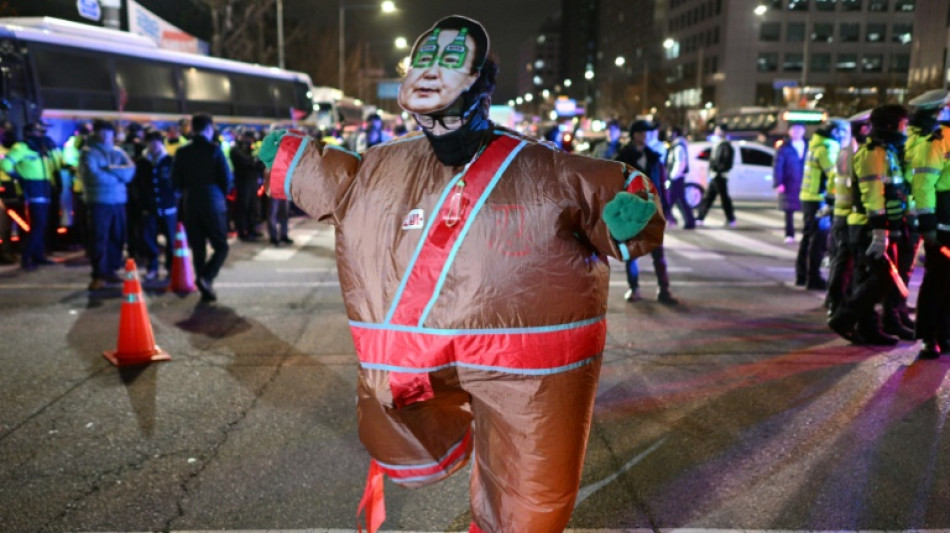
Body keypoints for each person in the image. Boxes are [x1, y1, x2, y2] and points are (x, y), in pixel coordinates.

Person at [258, 15, 664, 533]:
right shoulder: (387, 164)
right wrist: (295, 163)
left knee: (531, 489)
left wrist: (631, 217)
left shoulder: (543, 167)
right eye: (424, 59)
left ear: (479, 81)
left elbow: (607, 198)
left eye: (450, 61)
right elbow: (343, 183)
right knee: (392, 409)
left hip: (529, 363)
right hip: (422, 353)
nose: (431, 72)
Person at [827, 104, 909, 346]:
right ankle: (843, 318)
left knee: (870, 278)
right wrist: (880, 232)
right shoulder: (873, 153)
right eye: (903, 125)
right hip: (867, 226)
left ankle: (868, 327)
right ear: (892, 126)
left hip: (874, 225)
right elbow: (873, 195)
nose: (905, 130)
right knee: (879, 278)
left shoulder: (885, 151)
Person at [905, 89, 950, 359]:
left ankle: (944, 333)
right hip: (943, 217)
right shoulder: (937, 140)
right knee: (938, 278)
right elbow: (923, 185)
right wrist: (929, 223)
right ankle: (928, 336)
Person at [617, 119, 679, 305]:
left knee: (658, 253)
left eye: (647, 134)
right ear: (634, 135)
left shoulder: (653, 156)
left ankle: (663, 289)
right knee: (632, 252)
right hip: (632, 212)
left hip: (652, 210)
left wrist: (666, 209)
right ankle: (634, 288)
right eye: (642, 133)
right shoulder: (623, 157)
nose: (645, 137)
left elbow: (661, 184)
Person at [172, 113, 233, 302]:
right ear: (208, 129)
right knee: (221, 246)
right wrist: (219, 194)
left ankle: (204, 285)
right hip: (212, 202)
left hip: (190, 202)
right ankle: (206, 278)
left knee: (198, 247)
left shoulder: (182, 152)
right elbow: (226, 178)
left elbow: (175, 182)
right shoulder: (214, 150)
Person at [81, 120, 136, 290]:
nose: (106, 136)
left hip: (119, 201)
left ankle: (112, 270)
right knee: (99, 238)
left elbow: (130, 172)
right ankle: (99, 274)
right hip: (99, 201)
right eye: (102, 132)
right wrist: (118, 177)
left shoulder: (118, 152)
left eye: (108, 133)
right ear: (95, 133)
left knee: (117, 237)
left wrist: (110, 168)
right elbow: (93, 176)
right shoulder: (88, 152)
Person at [1, 122, 64, 270]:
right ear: (29, 133)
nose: (42, 135)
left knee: (43, 225)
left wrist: (53, 149)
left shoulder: (42, 149)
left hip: (45, 186)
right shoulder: (21, 148)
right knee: (38, 224)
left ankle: (38, 256)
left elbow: (58, 165)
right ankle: (27, 256)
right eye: (39, 132)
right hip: (32, 188)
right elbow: (5, 165)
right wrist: (19, 177)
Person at [798, 118, 848, 290]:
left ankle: (802, 275)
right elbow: (834, 175)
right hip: (818, 199)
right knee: (818, 240)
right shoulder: (828, 147)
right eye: (843, 132)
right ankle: (813, 278)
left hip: (808, 197)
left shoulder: (815, 144)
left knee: (808, 238)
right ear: (835, 132)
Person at [825, 111, 867, 316]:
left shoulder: (844, 150)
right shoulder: (856, 152)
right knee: (846, 262)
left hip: (842, 211)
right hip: (849, 212)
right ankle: (838, 304)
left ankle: (834, 302)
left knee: (841, 260)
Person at [135, 131, 179, 281]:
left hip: (168, 207)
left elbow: (178, 182)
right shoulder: (142, 163)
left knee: (171, 240)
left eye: (156, 142)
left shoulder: (170, 161)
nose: (153, 146)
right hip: (149, 208)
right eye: (150, 143)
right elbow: (137, 185)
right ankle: (152, 267)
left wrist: (175, 198)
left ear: (162, 143)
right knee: (149, 240)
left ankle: (171, 267)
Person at [773, 122, 807, 244]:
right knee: (789, 211)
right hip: (789, 182)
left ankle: (806, 234)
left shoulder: (809, 146)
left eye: (799, 129)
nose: (797, 132)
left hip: (806, 183)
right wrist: (778, 183)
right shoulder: (784, 147)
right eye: (794, 130)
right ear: (789, 131)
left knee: (808, 210)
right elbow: (778, 166)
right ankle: (789, 233)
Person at [695, 125, 735, 226]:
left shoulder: (725, 146)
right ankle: (701, 217)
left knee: (720, 197)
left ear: (723, 131)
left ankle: (731, 219)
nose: (716, 132)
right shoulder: (718, 144)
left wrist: (718, 170)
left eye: (718, 130)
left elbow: (726, 162)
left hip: (719, 175)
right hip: (715, 175)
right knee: (711, 197)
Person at [230, 129, 264, 241]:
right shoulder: (235, 149)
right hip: (242, 182)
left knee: (253, 207)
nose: (250, 141)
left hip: (252, 181)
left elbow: (259, 162)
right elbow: (245, 161)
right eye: (249, 138)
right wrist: (253, 161)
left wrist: (255, 161)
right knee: (242, 207)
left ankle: (251, 229)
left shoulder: (251, 149)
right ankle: (242, 231)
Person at [665, 126, 696, 229]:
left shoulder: (679, 146)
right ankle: (688, 221)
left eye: (670, 132)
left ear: (675, 134)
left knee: (669, 200)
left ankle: (666, 220)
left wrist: (672, 178)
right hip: (677, 178)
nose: (668, 135)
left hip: (676, 178)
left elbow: (680, 163)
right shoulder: (678, 145)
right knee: (679, 201)